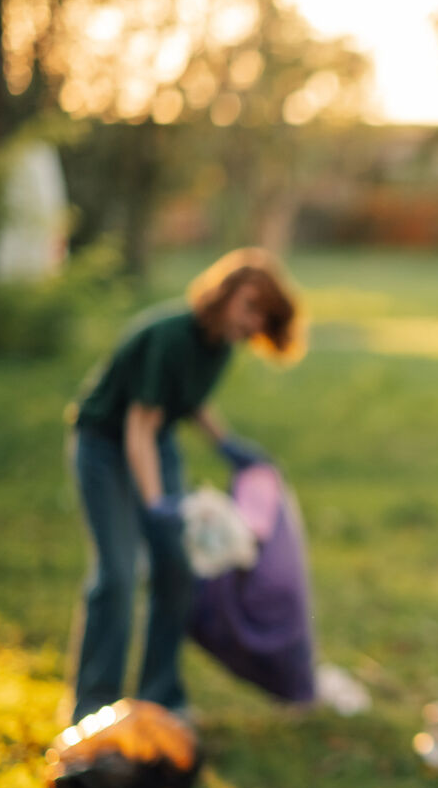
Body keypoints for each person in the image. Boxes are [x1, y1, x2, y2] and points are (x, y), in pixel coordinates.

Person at [67, 248, 301, 725]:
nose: (254, 323)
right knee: (116, 574)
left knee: (176, 568)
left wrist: (227, 444)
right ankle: (93, 705)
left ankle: (160, 696)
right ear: (224, 294)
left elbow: (188, 399)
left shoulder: (220, 346)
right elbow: (138, 427)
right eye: (249, 307)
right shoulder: (172, 336)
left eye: (263, 316)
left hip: (158, 441)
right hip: (105, 444)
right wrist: (155, 504)